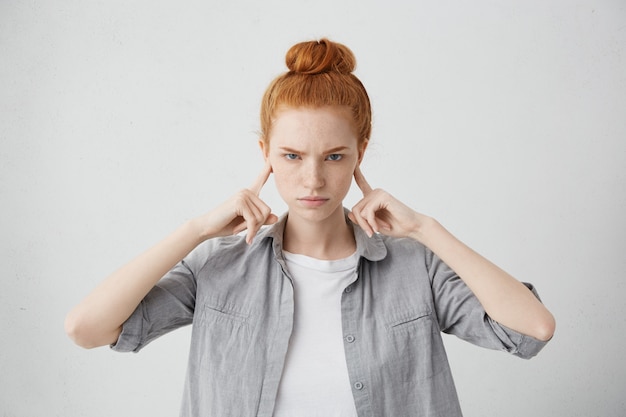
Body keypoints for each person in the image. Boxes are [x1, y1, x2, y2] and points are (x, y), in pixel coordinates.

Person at [65, 38, 555, 417]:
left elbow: (533, 330)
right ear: (265, 155)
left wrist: (426, 228)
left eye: (335, 156)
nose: (313, 179)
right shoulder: (220, 265)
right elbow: (86, 329)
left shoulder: (415, 267)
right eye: (292, 156)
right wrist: (195, 230)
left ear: (360, 153)